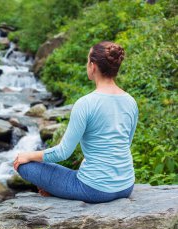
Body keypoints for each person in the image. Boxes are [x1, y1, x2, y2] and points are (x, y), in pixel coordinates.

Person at [13, 41, 138, 203]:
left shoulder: (85, 103)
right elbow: (125, 144)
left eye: (87, 61)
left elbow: (63, 153)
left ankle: (56, 189)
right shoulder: (130, 101)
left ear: (93, 66)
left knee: (24, 165)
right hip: (126, 186)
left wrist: (27, 155)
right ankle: (58, 188)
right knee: (75, 169)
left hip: (94, 190)